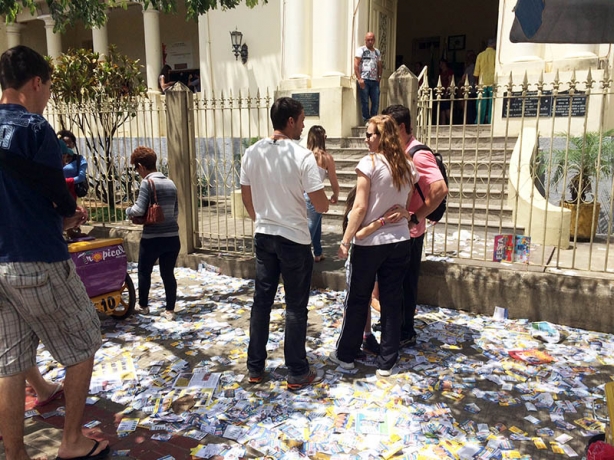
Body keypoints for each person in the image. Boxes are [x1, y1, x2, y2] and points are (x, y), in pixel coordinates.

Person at [0, 45, 109, 460]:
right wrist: (69, 214)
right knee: (83, 344)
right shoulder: (33, 128)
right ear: (36, 83)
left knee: (9, 362)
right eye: (48, 88)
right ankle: (72, 442)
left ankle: (16, 455)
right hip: (37, 257)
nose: (48, 97)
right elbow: (54, 196)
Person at [240, 97, 329, 390]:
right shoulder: (301, 156)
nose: (304, 125)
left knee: (262, 302)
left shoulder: (252, 153)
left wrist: (261, 219)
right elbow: (320, 204)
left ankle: (255, 367)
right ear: (290, 121)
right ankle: (297, 370)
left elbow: (246, 195)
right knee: (295, 307)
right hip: (293, 239)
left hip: (264, 235)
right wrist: (325, 200)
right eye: (302, 120)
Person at [331, 115, 416, 377]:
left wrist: (346, 240)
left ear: (383, 137)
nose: (366, 139)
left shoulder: (369, 164)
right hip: (399, 240)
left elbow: (359, 207)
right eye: (367, 134)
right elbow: (407, 200)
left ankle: (346, 354)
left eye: (371, 134)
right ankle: (387, 360)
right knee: (391, 300)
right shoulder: (407, 166)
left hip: (370, 242)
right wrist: (402, 213)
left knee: (358, 298)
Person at [381, 104, 448, 347]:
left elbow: (439, 189)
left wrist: (416, 216)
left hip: (411, 231)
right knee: (393, 281)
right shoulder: (400, 151)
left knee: (406, 283)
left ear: (400, 127)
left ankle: (406, 331)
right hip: (397, 232)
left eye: (387, 127)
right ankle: (394, 323)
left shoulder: (418, 154)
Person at [341, 186, 410, 356]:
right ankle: (350, 341)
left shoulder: (378, 211)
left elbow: (408, 218)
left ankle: (366, 336)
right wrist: (382, 221)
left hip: (377, 259)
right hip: (359, 261)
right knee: (356, 302)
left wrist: (405, 213)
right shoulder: (357, 214)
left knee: (367, 300)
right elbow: (360, 234)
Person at [126, 146, 180, 321]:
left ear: (141, 166)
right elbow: (175, 211)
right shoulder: (170, 182)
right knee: (168, 273)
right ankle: (170, 310)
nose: (137, 172)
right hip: (172, 237)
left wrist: (128, 211)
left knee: (144, 271)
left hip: (152, 238)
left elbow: (139, 209)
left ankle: (143, 306)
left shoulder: (147, 183)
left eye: (136, 168)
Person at [305, 125, 340, 262]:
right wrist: (335, 194)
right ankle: (303, 254)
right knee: (311, 227)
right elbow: (333, 180)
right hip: (317, 194)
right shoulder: (326, 158)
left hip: (302, 193)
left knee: (316, 223)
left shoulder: (305, 155)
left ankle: (318, 252)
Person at [355, 32, 382, 123]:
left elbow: (379, 65)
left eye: (372, 39)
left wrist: (379, 77)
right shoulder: (361, 50)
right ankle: (366, 119)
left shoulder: (377, 52)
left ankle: (373, 119)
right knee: (365, 101)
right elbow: (356, 65)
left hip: (374, 81)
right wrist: (359, 79)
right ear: (365, 40)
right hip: (364, 79)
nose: (370, 41)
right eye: (368, 40)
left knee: (376, 101)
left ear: (374, 40)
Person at [474, 39, 496, 124]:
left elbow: (476, 73)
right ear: (493, 44)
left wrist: (476, 83)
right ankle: (491, 122)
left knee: (481, 105)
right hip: (493, 82)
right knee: (491, 104)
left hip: (482, 83)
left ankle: (479, 122)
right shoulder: (496, 54)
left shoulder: (480, 55)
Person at [437, 59, 454, 125]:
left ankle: (451, 124)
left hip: (448, 92)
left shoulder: (449, 71)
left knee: (447, 109)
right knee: (442, 111)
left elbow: (450, 81)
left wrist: (447, 91)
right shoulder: (441, 73)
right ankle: (443, 125)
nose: (440, 65)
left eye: (442, 64)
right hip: (441, 92)